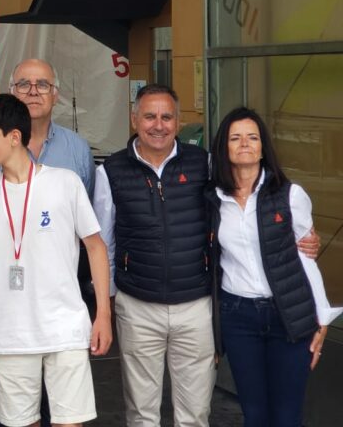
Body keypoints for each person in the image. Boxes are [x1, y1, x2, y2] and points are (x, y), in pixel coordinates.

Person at [93, 85, 319, 427]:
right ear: (134, 119)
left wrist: (302, 233)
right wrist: (106, 306)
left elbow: (247, 202)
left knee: (195, 414)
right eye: (150, 116)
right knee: (141, 412)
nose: (159, 125)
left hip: (196, 307)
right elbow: (104, 244)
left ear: (179, 122)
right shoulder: (110, 171)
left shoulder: (205, 164)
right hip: (137, 305)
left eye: (167, 117)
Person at [0, 59, 95, 427]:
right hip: (8, 325)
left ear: (14, 137)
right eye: (24, 84)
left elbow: (93, 242)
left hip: (64, 322)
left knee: (69, 420)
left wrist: (102, 315)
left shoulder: (68, 173)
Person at [207, 107, 340, 427]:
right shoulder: (213, 199)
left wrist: (321, 318)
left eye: (252, 137)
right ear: (224, 147)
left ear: (263, 147)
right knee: (254, 414)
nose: (244, 143)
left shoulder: (290, 195)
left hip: (287, 314)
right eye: (235, 138)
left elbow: (306, 256)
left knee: (286, 417)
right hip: (238, 316)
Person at [0, 59, 94, 198]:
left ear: (55, 96)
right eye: (24, 85)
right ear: (11, 93)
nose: (33, 92)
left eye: (43, 85)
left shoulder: (78, 149)